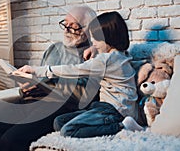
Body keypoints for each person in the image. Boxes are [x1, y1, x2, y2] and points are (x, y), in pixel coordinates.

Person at [0, 6, 100, 151]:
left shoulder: (94, 55)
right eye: (65, 24)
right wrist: (27, 85)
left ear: (88, 30)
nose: (66, 30)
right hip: (31, 100)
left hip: (57, 108)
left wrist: (49, 86)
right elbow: (40, 77)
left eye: (73, 27)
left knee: (10, 140)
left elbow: (85, 95)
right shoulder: (54, 49)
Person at [19, 11, 144, 139]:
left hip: (116, 111)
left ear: (108, 38)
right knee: (59, 122)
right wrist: (96, 48)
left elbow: (73, 70)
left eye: (95, 38)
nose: (92, 42)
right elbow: (106, 56)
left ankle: (122, 127)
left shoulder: (105, 61)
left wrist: (37, 70)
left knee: (68, 130)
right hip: (104, 106)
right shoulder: (121, 55)